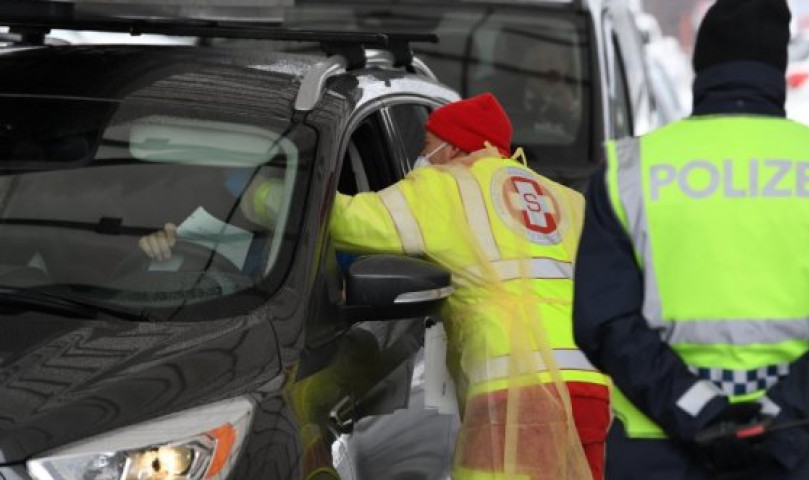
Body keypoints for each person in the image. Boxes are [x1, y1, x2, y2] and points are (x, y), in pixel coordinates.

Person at [141, 93, 609, 479]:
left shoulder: (450, 188)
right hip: (590, 387)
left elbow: (343, 220)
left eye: (428, 144)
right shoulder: (564, 200)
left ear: (455, 148)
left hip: (515, 390)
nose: (421, 157)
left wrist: (261, 193)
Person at [572, 1, 809, 480]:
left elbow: (605, 320)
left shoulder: (630, 173)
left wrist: (700, 411)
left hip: (660, 447)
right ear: (778, 68)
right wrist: (780, 417)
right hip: (807, 446)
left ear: (701, 66)